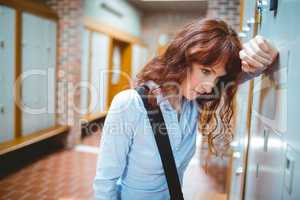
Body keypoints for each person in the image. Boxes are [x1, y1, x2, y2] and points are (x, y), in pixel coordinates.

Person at [93, 18, 278, 200]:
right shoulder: (130, 104)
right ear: (182, 60)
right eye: (205, 71)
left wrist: (261, 49)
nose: (209, 86)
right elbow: (105, 182)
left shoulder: (193, 103)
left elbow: (251, 69)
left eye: (217, 78)